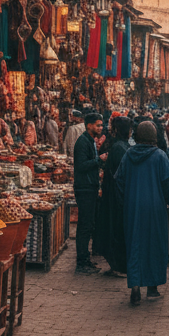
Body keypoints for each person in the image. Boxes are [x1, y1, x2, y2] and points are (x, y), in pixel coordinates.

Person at [117, 121, 169, 306]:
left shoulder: (128, 155)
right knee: (155, 245)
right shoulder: (160, 156)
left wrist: (126, 202)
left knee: (135, 244)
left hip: (133, 208)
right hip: (155, 208)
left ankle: (135, 288)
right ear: (154, 138)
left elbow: (119, 182)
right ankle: (152, 287)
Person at [96, 117, 132, 276]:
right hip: (118, 195)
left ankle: (119, 266)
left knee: (115, 230)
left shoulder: (118, 148)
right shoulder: (124, 146)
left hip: (115, 196)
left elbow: (117, 174)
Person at [73, 113, 107, 274]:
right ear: (89, 125)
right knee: (85, 226)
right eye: (98, 125)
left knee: (88, 224)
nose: (100, 128)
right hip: (84, 188)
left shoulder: (89, 141)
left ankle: (85, 259)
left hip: (90, 186)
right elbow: (81, 166)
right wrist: (99, 160)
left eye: (101, 125)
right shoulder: (82, 142)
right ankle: (81, 262)